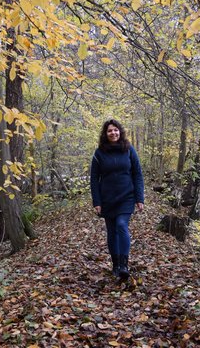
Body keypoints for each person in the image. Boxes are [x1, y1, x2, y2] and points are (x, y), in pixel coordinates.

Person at [90, 119, 144, 279]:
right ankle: (115, 265)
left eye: (115, 130)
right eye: (109, 131)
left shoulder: (129, 150)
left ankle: (124, 265)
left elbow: (137, 174)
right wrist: (97, 202)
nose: (113, 133)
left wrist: (139, 198)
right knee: (112, 232)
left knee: (121, 225)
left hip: (127, 197)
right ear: (105, 134)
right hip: (107, 199)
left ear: (120, 131)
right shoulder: (99, 153)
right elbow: (94, 179)